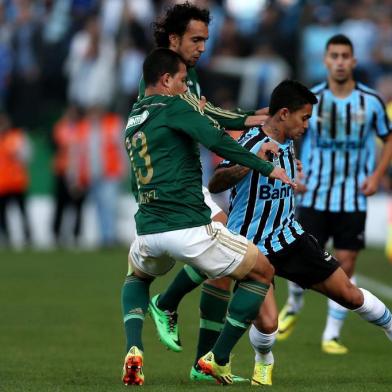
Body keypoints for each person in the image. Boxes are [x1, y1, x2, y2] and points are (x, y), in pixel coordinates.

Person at [121, 48, 295, 386]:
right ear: (166, 79)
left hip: (147, 230)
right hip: (189, 227)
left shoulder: (134, 117)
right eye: (183, 81)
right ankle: (216, 358)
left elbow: (134, 178)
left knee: (137, 277)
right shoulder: (173, 106)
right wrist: (265, 166)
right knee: (261, 272)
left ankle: (134, 348)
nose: (187, 88)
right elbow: (215, 139)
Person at [208, 79, 392, 384]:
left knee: (349, 294)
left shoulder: (287, 139)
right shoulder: (250, 143)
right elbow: (216, 183)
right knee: (268, 325)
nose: (307, 125)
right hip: (252, 248)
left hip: (290, 238)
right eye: (303, 117)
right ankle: (263, 359)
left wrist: (294, 168)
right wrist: (253, 163)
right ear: (283, 113)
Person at [140, 2, 273, 383]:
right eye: (196, 40)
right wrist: (254, 140)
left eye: (206, 41)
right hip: (173, 186)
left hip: (182, 181)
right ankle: (166, 303)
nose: (202, 47)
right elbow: (204, 124)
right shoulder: (163, 76)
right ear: (174, 39)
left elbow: (208, 112)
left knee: (221, 271)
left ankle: (204, 364)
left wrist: (252, 117)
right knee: (229, 241)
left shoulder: (187, 78)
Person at [278, 34, 392, 354]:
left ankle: (331, 334)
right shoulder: (312, 99)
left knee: (347, 261)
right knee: (300, 258)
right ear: (325, 61)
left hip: (353, 195)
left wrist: (377, 175)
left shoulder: (370, 101)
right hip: (314, 193)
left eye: (345, 56)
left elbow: (388, 137)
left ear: (353, 61)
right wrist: (294, 170)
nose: (340, 61)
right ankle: (295, 303)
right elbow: (289, 135)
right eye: (334, 56)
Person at [0, 112, 31, 247]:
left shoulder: (17, 136)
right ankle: (6, 237)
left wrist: (17, 153)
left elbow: (27, 156)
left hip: (17, 182)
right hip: (2, 183)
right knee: (2, 214)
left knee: (22, 212)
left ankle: (28, 237)